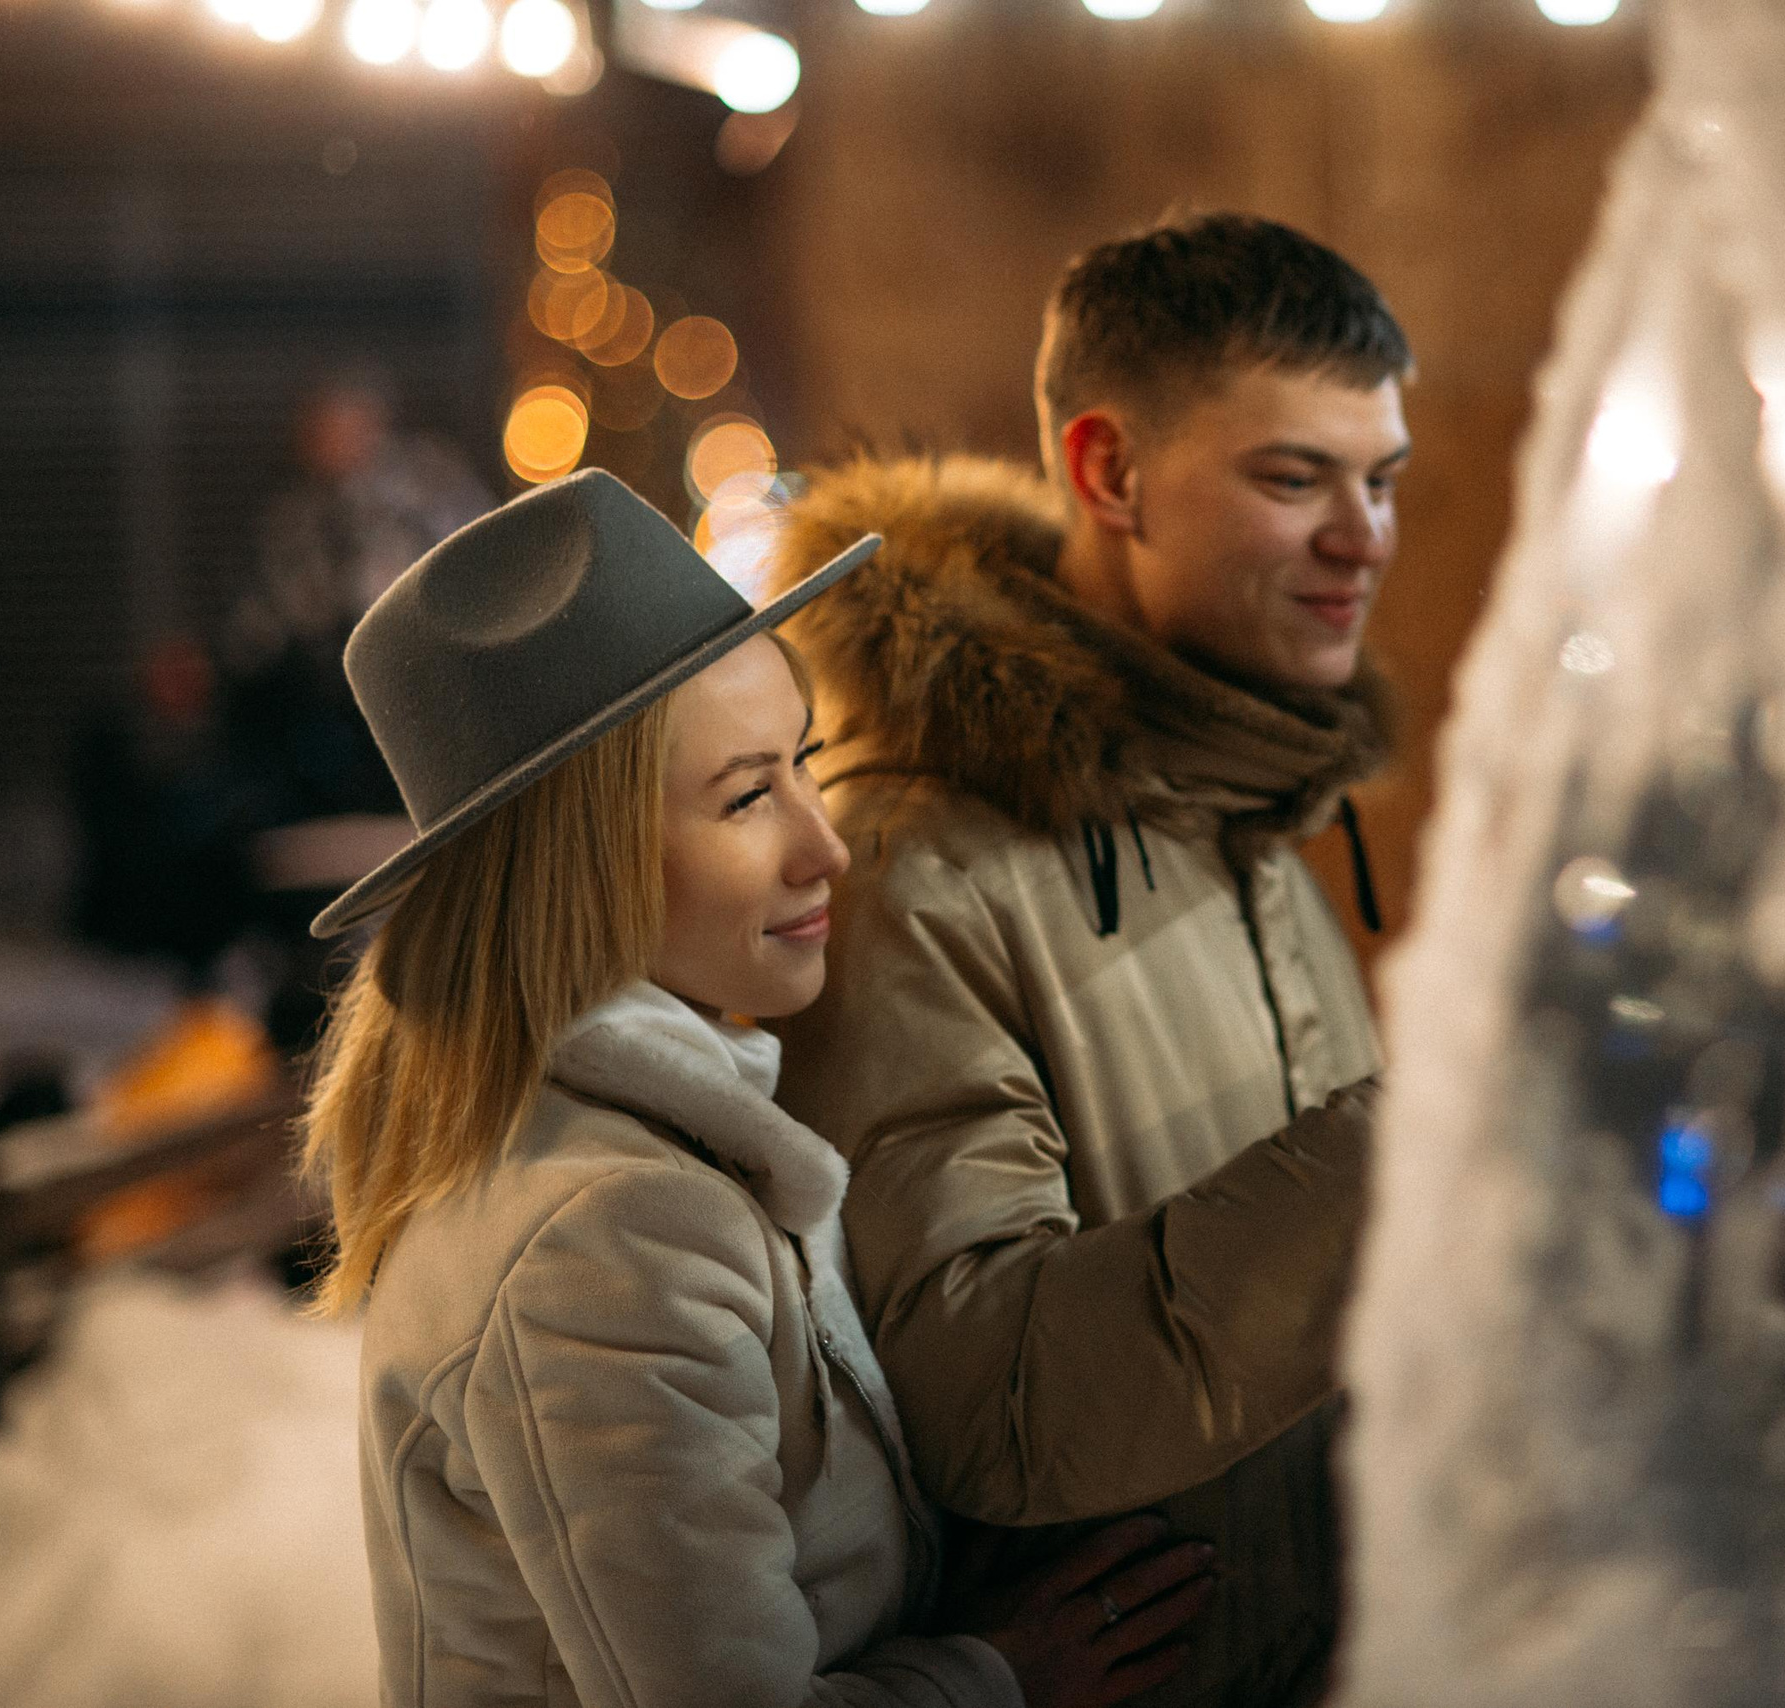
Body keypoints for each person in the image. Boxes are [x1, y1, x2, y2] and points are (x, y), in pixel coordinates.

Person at [297, 469, 1214, 1708]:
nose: (821, 841)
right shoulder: (604, 1239)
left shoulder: (656, 1147)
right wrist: (1002, 1673)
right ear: (585, 865)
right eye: (744, 795)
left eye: (804, 763)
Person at [768, 213, 1411, 1707]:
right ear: (1111, 473)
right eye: (1293, 475)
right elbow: (987, 1401)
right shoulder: (918, 864)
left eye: (1381, 480)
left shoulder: (1254, 809)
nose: (1363, 537)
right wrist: (1414, 1149)